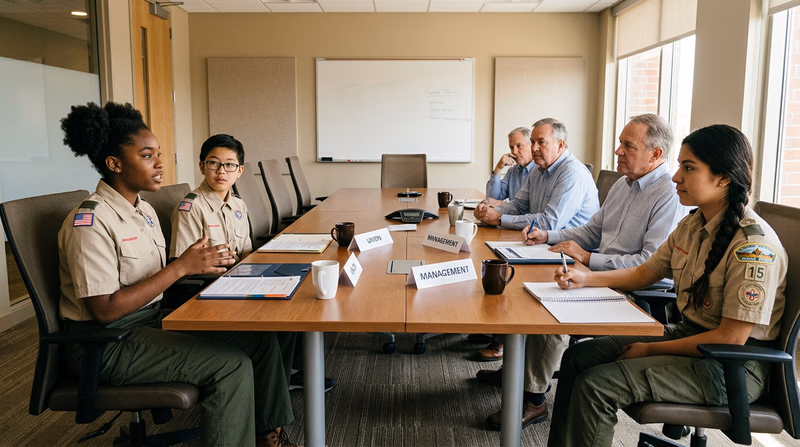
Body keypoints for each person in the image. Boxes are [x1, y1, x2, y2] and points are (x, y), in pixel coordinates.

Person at [58, 102, 302, 447]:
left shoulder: (143, 212)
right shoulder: (91, 222)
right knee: (230, 365)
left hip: (151, 323)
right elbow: (104, 310)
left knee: (260, 342)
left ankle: (268, 435)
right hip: (105, 343)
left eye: (159, 154)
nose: (160, 163)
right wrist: (182, 267)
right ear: (114, 164)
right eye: (147, 156)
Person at [547, 124, 787, 447]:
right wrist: (586, 278)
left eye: (688, 168)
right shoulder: (693, 223)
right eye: (679, 167)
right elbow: (644, 273)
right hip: (689, 336)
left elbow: (729, 338)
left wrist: (649, 348)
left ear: (724, 178)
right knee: (578, 358)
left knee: (597, 385)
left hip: (731, 367)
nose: (676, 177)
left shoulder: (753, 247)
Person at [477, 113, 687, 431]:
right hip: (599, 272)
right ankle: (519, 376)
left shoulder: (668, 196)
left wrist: (590, 259)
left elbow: (648, 264)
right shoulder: (623, 184)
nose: (617, 151)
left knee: (547, 313)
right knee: (530, 293)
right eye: (619, 143)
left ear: (655, 154)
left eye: (627, 145)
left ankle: (534, 401)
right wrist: (547, 237)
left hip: (632, 287)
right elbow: (590, 231)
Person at [474, 118, 599, 231]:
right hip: (543, 242)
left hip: (571, 251)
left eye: (541, 142)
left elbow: (549, 223)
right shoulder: (537, 169)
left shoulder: (573, 173)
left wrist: (500, 218)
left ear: (560, 145)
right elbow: (519, 205)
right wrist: (488, 212)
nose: (534, 148)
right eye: (533, 142)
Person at [170, 133, 251, 262]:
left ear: (239, 171)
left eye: (229, 164)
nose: (221, 171)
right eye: (214, 163)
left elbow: (246, 252)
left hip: (238, 274)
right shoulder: (192, 208)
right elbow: (183, 265)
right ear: (202, 167)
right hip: (211, 279)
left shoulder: (239, 205)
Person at [485, 126, 534, 205]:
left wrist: (503, 204)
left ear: (531, 145)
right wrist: (498, 169)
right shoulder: (513, 171)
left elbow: (532, 207)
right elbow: (492, 199)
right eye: (511, 147)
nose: (514, 152)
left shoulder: (540, 171)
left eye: (519, 146)